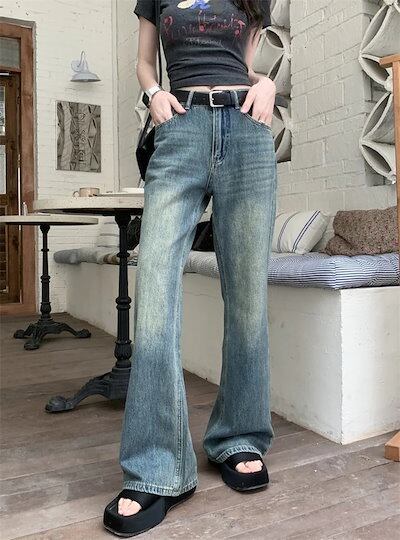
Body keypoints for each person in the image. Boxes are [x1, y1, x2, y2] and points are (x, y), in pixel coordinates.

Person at [103, 0, 277, 536]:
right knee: (154, 294)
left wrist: (267, 83)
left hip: (246, 131)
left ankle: (239, 436)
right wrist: (154, 94)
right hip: (179, 132)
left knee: (247, 299)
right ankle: (157, 467)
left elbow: (244, 64)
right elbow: (144, 61)